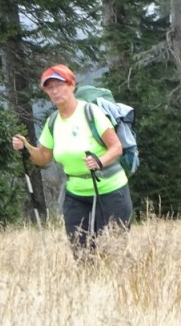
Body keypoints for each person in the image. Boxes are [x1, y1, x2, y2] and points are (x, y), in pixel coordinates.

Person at [12, 64, 133, 259]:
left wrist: (99, 162)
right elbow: (43, 158)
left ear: (72, 85)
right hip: (76, 194)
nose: (54, 91)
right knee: (82, 253)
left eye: (59, 85)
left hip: (111, 192)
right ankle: (88, 289)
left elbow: (116, 148)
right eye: (49, 87)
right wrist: (25, 147)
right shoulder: (53, 122)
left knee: (113, 252)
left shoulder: (91, 113)